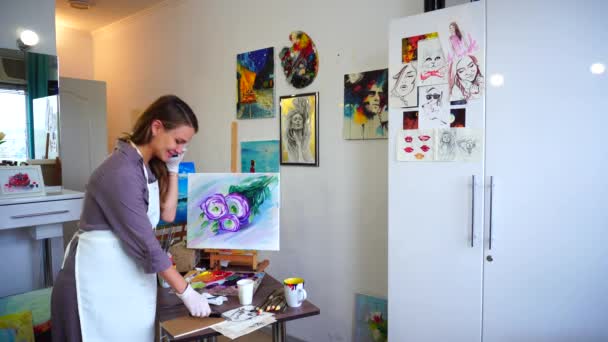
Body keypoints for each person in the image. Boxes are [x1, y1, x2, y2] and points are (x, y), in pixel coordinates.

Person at [51, 95, 211, 342]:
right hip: (92, 283)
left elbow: (168, 214)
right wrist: (186, 291)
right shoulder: (120, 172)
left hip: (120, 279)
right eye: (178, 141)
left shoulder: (145, 166)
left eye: (184, 145)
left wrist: (173, 169)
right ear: (156, 127)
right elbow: (147, 244)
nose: (180, 149)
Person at [284, 97, 314, 163]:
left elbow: (307, 118)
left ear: (303, 122)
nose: (298, 121)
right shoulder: (289, 140)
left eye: (300, 119)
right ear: (291, 124)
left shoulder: (306, 137)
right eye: (295, 119)